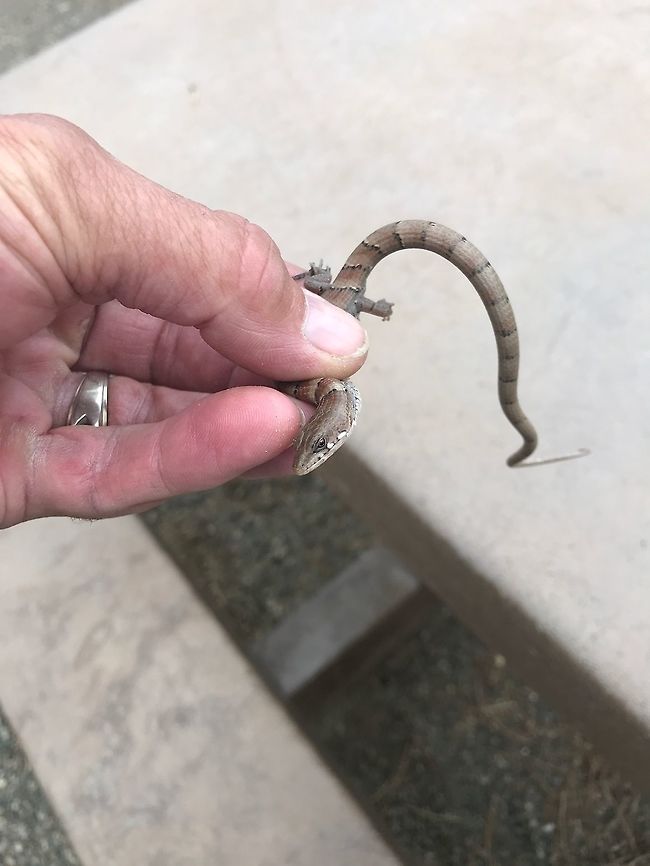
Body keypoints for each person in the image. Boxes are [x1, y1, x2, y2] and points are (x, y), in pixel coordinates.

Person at [0, 114, 367, 528]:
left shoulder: (320, 385)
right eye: (314, 446)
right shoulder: (317, 383)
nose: (311, 454)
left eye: (316, 447)